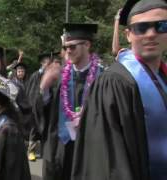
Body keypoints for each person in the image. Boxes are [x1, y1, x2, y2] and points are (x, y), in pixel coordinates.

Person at [71, 0, 167, 179]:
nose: (151, 34)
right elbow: (108, 163)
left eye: (161, 26)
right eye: (141, 28)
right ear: (128, 34)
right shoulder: (113, 82)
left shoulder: (163, 77)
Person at [34, 23, 103, 180]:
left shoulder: (103, 77)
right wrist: (43, 88)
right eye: (66, 47)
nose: (68, 51)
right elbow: (43, 109)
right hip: (59, 145)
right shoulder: (59, 76)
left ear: (87, 44)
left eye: (72, 47)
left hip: (89, 148)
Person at [25, 52, 54, 162]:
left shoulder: (51, 75)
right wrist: (32, 106)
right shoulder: (35, 75)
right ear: (42, 63)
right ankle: (31, 151)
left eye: (50, 62)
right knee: (34, 129)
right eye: (47, 62)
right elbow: (30, 92)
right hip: (36, 107)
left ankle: (44, 150)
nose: (49, 64)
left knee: (46, 128)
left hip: (48, 105)